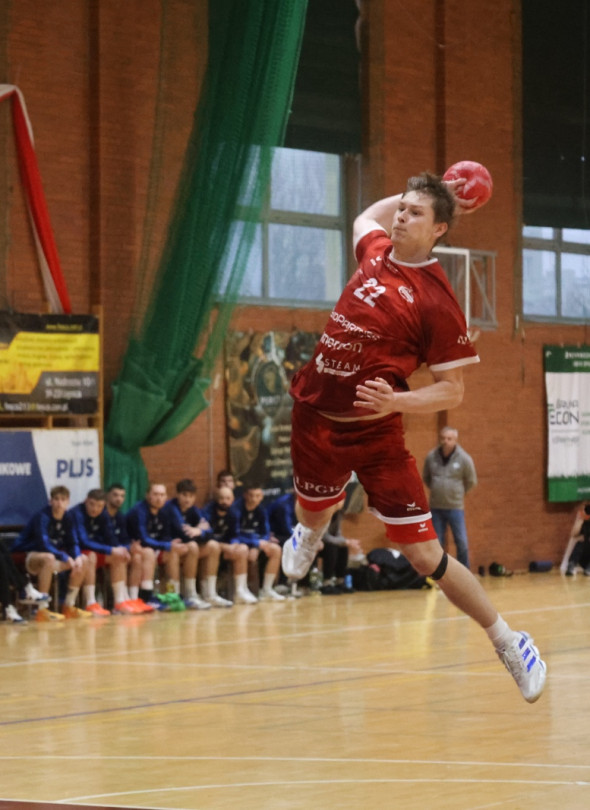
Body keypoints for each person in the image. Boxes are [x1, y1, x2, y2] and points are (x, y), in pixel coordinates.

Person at [280, 172, 547, 703]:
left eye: (415, 213)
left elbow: (453, 390)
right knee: (311, 513)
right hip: (315, 417)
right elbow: (366, 217)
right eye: (401, 209)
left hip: (376, 432)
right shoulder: (375, 251)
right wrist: (437, 184)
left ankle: (509, 641)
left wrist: (397, 403)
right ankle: (309, 533)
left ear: (440, 229)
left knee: (426, 557)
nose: (400, 217)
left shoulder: (437, 302)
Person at [11, 485, 92, 620]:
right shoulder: (42, 517)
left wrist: (76, 556)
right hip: (30, 554)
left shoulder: (68, 517)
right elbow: (43, 544)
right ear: (51, 501)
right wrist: (65, 557)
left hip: (53, 556)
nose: (59, 503)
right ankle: (42, 609)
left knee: (83, 559)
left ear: (68, 502)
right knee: (48, 558)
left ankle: (69, 605)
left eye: (63, 499)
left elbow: (73, 542)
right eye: (56, 499)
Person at [162, 479, 232, 607]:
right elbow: (184, 534)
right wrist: (199, 530)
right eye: (184, 495)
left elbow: (210, 532)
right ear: (177, 494)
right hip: (168, 549)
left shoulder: (193, 510)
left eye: (191, 496)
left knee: (214, 546)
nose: (187, 499)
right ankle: (190, 594)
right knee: (193, 546)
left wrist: (198, 531)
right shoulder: (171, 508)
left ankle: (209, 593)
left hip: (185, 549)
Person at [126, 482, 187, 611]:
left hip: (153, 548)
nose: (159, 498)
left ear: (166, 497)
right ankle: (146, 596)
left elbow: (166, 535)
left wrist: (172, 544)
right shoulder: (139, 511)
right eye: (155, 494)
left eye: (162, 495)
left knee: (172, 553)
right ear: (148, 495)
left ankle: (173, 593)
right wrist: (167, 545)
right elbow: (143, 539)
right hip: (134, 548)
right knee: (149, 552)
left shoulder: (165, 511)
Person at [422, 426, 477, 568]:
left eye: (449, 439)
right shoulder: (431, 457)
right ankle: (438, 574)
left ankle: (464, 573)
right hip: (436, 508)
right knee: (437, 544)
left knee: (462, 543)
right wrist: (437, 489)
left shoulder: (464, 458)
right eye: (443, 438)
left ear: (455, 440)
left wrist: (457, 493)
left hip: (455, 508)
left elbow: (471, 481)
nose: (445, 441)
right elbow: (426, 477)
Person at [202, 485, 258, 604]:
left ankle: (240, 591)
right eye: (222, 498)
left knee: (243, 548)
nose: (224, 501)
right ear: (216, 499)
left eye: (228, 498)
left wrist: (234, 544)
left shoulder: (234, 513)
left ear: (232, 500)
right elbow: (206, 536)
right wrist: (224, 546)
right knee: (214, 546)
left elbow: (235, 534)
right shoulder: (207, 512)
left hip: (225, 549)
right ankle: (210, 593)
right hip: (208, 548)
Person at [104, 483, 155, 613]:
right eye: (115, 495)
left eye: (122, 496)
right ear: (107, 496)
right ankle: (119, 601)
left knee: (137, 556)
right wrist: (126, 548)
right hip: (105, 550)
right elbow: (109, 539)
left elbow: (125, 538)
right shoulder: (102, 514)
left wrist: (130, 547)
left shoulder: (120, 516)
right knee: (121, 556)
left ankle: (133, 598)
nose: (119, 499)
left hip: (118, 549)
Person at [230, 485, 285, 601]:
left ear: (261, 497)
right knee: (243, 549)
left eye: (257, 496)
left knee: (275, 549)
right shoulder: (235, 509)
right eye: (251, 495)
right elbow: (234, 534)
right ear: (245, 495)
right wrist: (255, 543)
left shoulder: (261, 510)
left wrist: (258, 545)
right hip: (239, 543)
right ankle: (240, 590)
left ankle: (267, 589)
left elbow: (265, 533)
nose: (254, 499)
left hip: (255, 543)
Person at [565, 501, 590, 575]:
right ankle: (571, 565)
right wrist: (581, 519)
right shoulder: (585, 518)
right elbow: (573, 534)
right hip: (585, 553)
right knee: (580, 543)